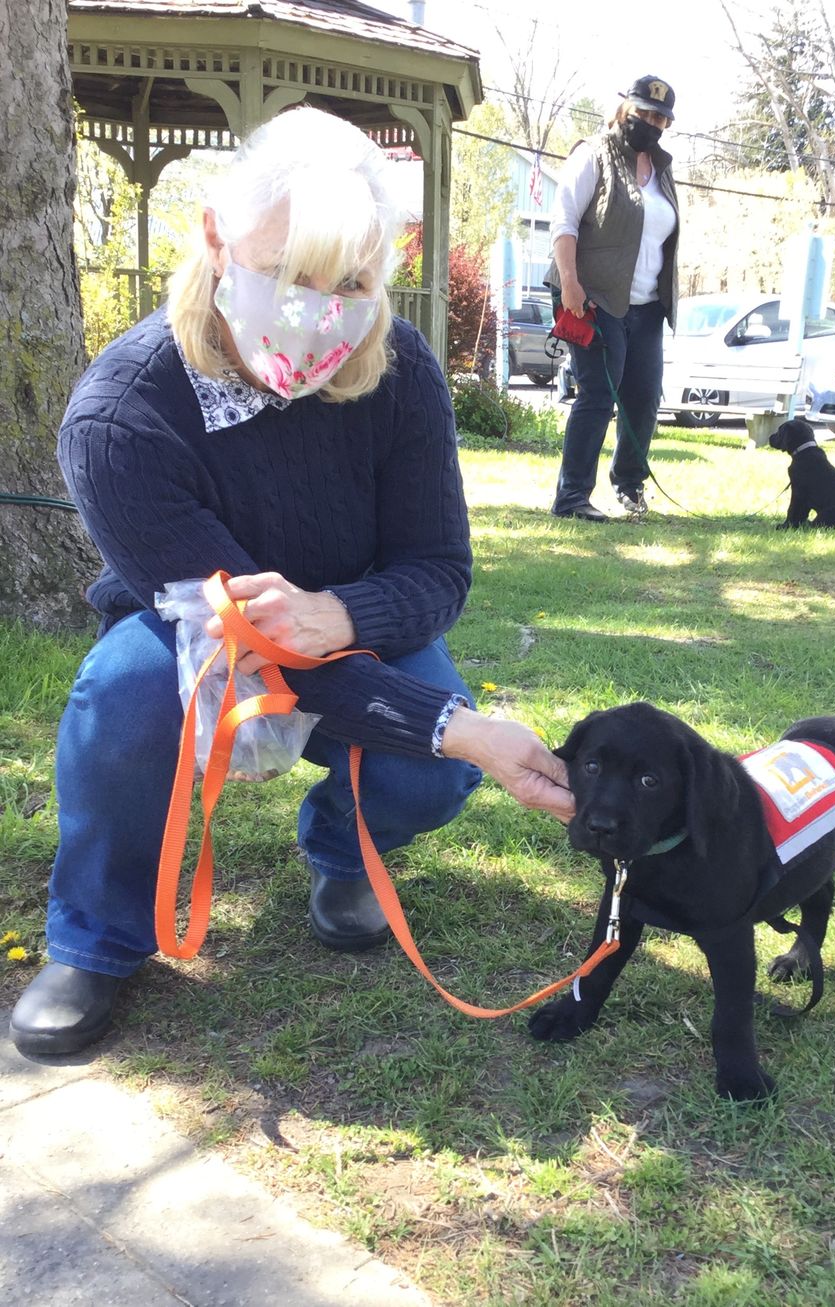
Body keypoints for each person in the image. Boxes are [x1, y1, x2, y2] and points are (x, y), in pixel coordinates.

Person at [10, 107, 573, 1059]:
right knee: (125, 700)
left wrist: (344, 613)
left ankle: (342, 847)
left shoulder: (401, 370)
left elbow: (438, 569)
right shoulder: (119, 414)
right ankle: (95, 934)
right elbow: (243, 640)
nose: (320, 311)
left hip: (359, 621)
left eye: (350, 282)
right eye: (286, 276)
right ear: (216, 240)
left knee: (429, 773)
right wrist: (461, 727)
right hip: (192, 626)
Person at [545, 75, 680, 522]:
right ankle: (571, 497)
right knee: (598, 395)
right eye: (643, 112)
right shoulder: (594, 153)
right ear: (625, 108)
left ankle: (629, 486)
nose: (651, 122)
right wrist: (570, 285)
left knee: (642, 398)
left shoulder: (662, 168)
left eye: (660, 117)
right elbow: (564, 221)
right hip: (593, 298)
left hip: (646, 307)